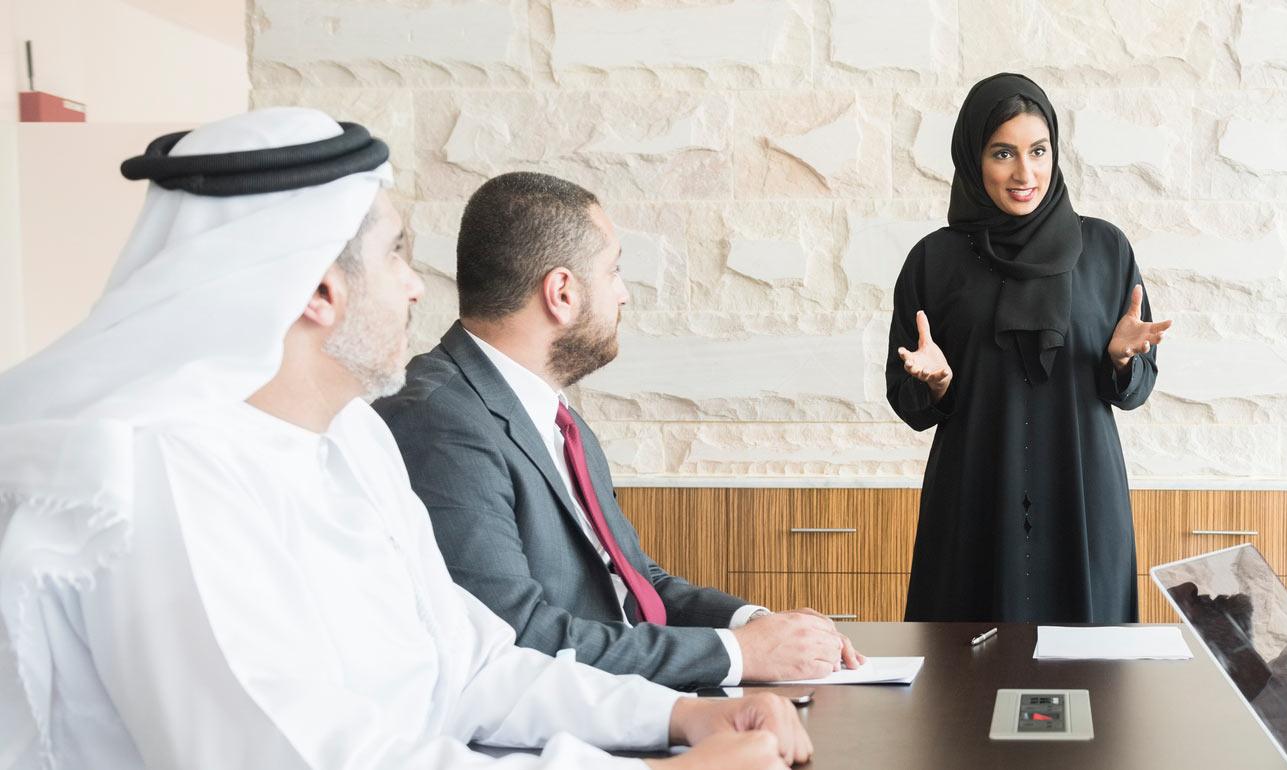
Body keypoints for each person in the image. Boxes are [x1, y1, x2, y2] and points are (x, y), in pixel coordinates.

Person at [0, 108, 806, 769]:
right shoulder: (161, 476)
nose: (419, 287)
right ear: (320, 290)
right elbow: (301, 756)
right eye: (397, 255)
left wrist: (678, 718)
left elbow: (469, 665)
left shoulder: (353, 437)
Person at [375, 171, 863, 689]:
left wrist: (756, 624)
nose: (624, 294)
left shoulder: (559, 420)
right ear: (561, 293)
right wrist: (738, 654)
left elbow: (637, 584)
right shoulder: (438, 420)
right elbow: (515, 637)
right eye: (614, 272)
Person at [888, 72, 1171, 624]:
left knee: (1092, 680)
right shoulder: (934, 261)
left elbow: (1137, 387)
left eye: (1038, 151)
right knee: (964, 684)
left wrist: (1121, 361)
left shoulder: (1106, 250)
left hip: (1083, 493)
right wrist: (939, 384)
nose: (1025, 173)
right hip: (974, 494)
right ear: (973, 159)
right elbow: (905, 397)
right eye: (1002, 153)